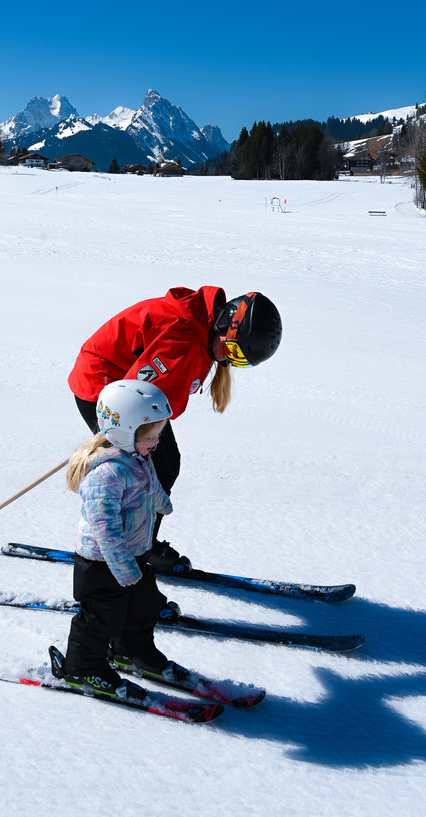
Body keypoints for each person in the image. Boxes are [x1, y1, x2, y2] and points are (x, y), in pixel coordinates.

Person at [68, 287, 282, 570]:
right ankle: (120, 547)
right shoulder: (180, 339)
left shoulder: (202, 331)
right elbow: (133, 392)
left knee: (166, 464)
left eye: (239, 360)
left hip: (137, 394)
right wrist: (116, 434)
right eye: (231, 350)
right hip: (106, 388)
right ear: (222, 324)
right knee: (133, 471)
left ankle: (143, 542)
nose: (228, 360)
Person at [60, 379, 185, 698]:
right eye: (151, 435)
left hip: (135, 554)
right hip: (102, 563)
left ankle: (132, 651)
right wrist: (123, 568)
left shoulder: (138, 456)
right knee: (101, 618)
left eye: (159, 433)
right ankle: (82, 668)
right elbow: (105, 530)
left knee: (142, 608)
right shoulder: (106, 474)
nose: (157, 441)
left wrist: (161, 502)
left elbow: (151, 481)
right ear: (123, 432)